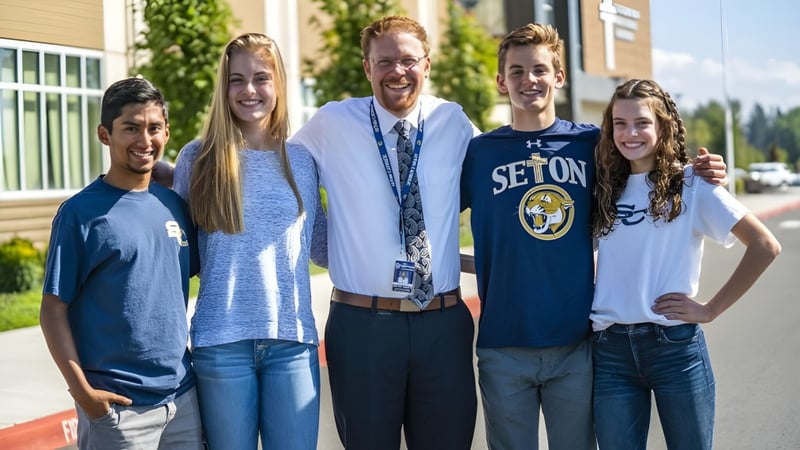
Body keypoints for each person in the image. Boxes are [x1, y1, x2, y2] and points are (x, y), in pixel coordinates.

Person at [460, 24, 728, 449]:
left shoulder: (592, 144)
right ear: (500, 80)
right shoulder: (478, 153)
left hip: (578, 342)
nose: (529, 80)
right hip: (503, 342)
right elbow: (434, 221)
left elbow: (644, 152)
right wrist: (466, 261)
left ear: (559, 77)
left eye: (540, 70)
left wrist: (701, 171)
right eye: (516, 71)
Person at [289, 15, 478, 450]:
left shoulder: (453, 121)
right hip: (362, 328)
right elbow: (278, 173)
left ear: (427, 65)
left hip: (442, 324)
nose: (398, 71)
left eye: (409, 60)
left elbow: (497, 181)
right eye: (385, 61)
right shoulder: (332, 122)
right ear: (366, 68)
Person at [590, 78, 780, 449]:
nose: (630, 133)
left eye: (642, 122)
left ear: (663, 126)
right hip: (610, 351)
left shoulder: (691, 183)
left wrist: (710, 309)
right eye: (620, 123)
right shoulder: (601, 188)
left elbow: (764, 245)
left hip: (673, 348)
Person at [172, 33, 327, 450]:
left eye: (261, 77)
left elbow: (324, 247)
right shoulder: (197, 158)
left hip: (291, 341)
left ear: (278, 84)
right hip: (220, 344)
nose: (249, 90)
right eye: (236, 80)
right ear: (223, 88)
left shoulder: (303, 160)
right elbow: (177, 255)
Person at [39, 77, 202, 449]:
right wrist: (83, 394)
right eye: (131, 128)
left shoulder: (173, 205)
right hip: (117, 410)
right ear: (104, 134)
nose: (145, 141)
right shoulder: (80, 214)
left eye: (154, 128)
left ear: (166, 132)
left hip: (183, 399)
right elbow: (52, 309)